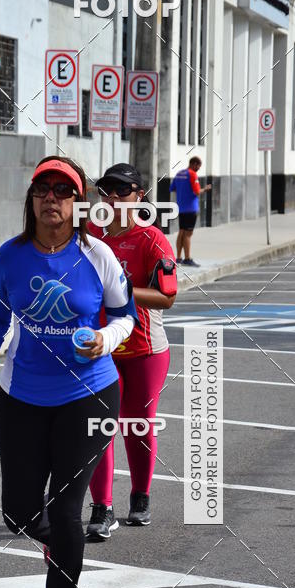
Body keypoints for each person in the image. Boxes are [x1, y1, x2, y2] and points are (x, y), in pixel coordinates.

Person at [0, 156, 138, 588]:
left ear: (78, 202)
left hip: (90, 396)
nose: (51, 198)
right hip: (22, 394)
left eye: (62, 191)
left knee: (67, 512)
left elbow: (124, 315)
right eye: (43, 189)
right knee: (19, 513)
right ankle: (61, 546)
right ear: (31, 200)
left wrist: (105, 340)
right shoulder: (11, 256)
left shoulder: (98, 255)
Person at [86, 163, 177, 537]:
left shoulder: (153, 239)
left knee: (136, 427)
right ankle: (102, 509)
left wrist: (120, 287)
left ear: (139, 197)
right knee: (97, 428)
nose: (112, 198)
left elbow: (168, 297)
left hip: (144, 350)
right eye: (106, 191)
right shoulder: (89, 235)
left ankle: (140, 497)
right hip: (99, 348)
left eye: (121, 192)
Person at [169, 156, 211, 266]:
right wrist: (205, 189)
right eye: (198, 166)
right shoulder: (192, 174)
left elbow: (172, 188)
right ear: (194, 164)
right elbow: (197, 191)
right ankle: (187, 258)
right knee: (188, 234)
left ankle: (178, 257)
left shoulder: (179, 173)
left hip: (181, 208)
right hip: (191, 208)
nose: (198, 169)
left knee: (181, 232)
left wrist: (183, 191)